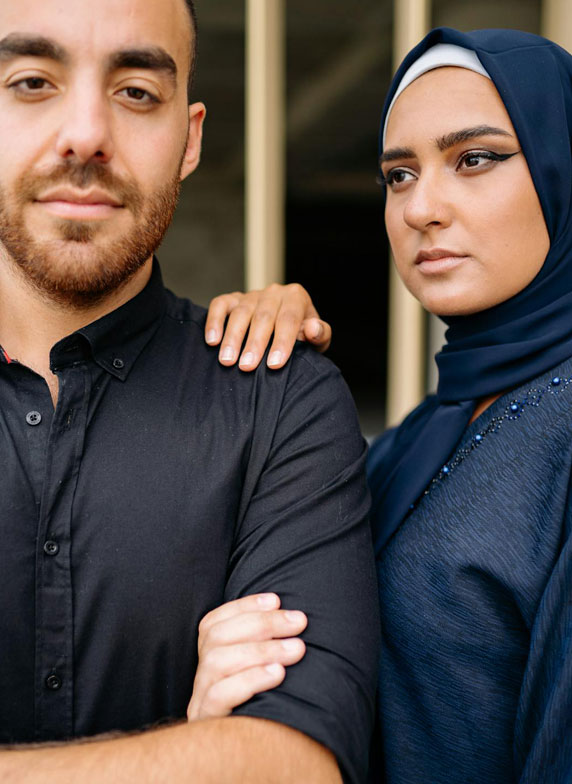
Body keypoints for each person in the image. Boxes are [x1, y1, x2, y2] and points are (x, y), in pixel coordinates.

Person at [0, 0, 381, 781]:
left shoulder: (283, 404)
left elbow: (295, 764)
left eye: (137, 91)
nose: (86, 135)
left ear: (190, 138)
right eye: (34, 81)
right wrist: (198, 753)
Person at [192, 27, 572, 784]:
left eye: (475, 159)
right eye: (399, 174)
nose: (421, 207)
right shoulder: (417, 438)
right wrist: (271, 385)